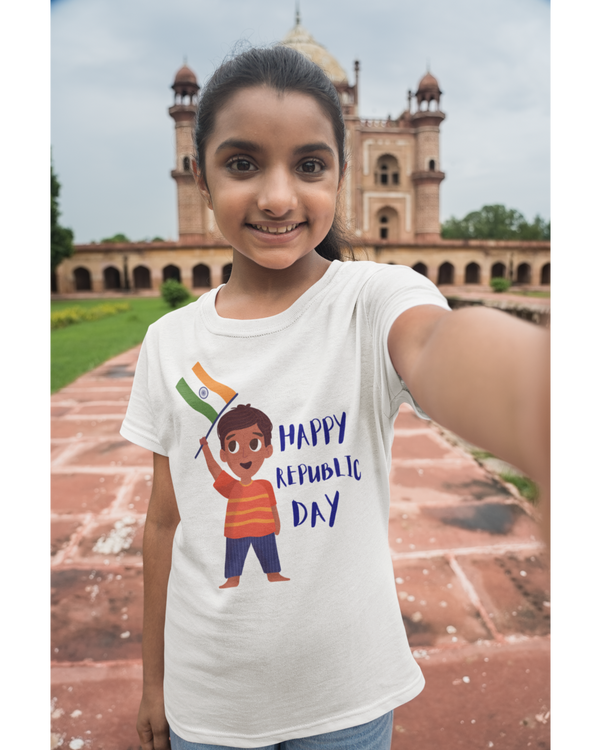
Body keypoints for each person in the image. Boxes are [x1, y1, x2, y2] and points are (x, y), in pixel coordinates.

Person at [120, 45, 552, 750]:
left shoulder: (372, 300)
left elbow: (440, 349)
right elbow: (164, 524)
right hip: (210, 697)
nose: (278, 197)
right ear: (198, 174)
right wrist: (153, 683)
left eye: (310, 165)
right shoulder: (169, 341)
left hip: (346, 695)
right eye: (242, 163)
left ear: (345, 175)